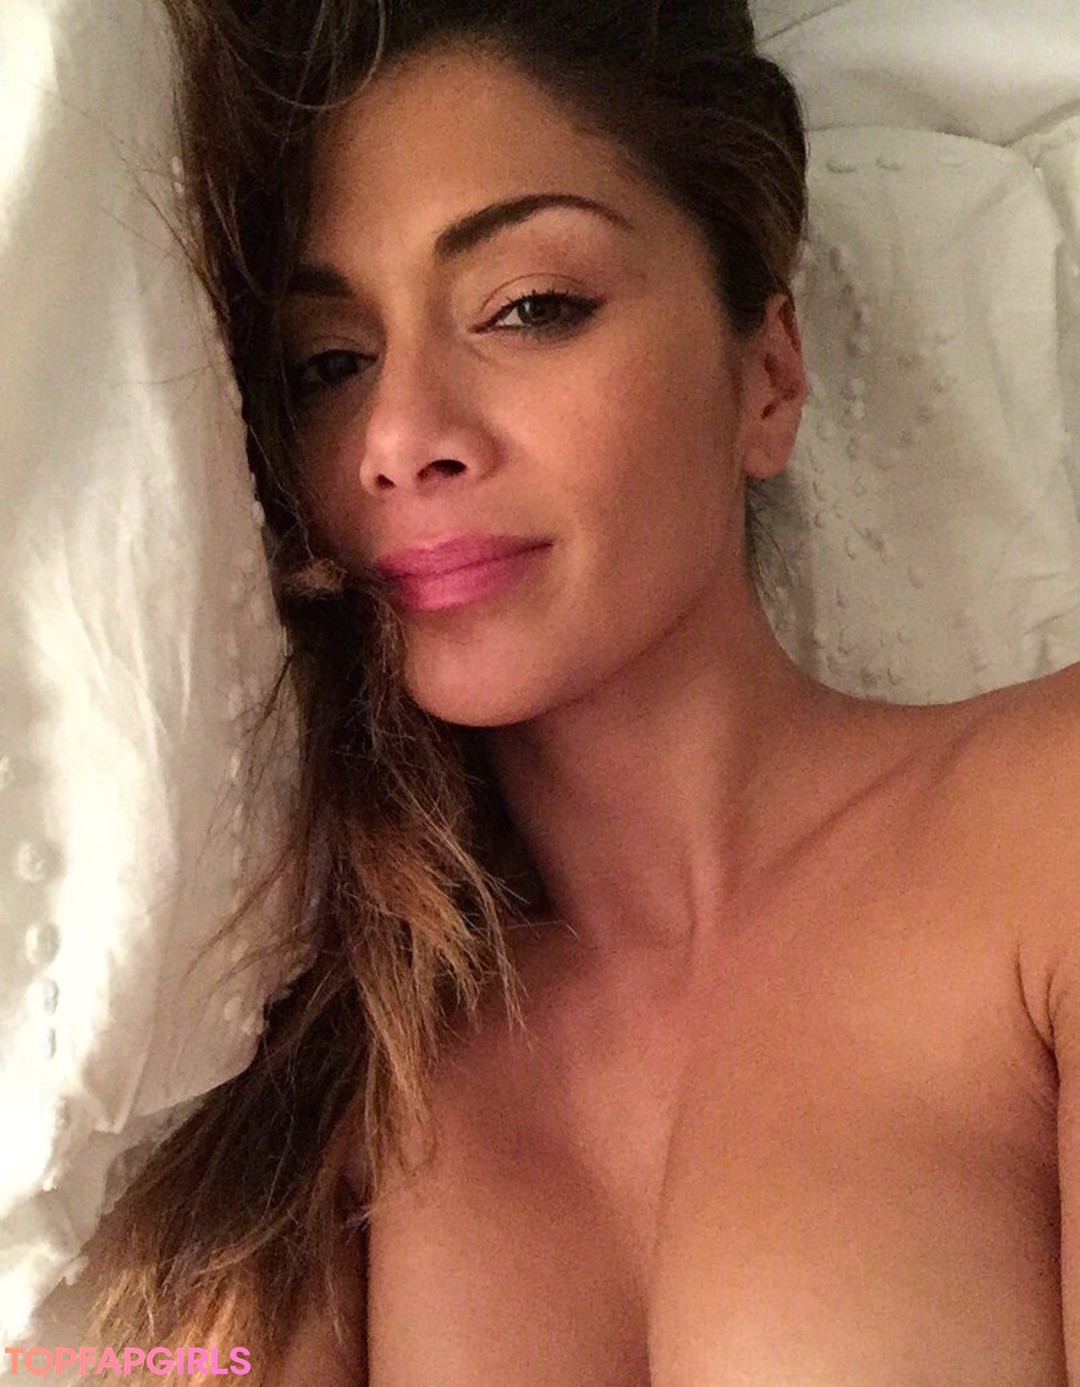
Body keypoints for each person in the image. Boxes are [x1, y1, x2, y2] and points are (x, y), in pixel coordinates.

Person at [79, 1, 1078, 1382]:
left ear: (767, 376)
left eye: (530, 306)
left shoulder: (1046, 821)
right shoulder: (335, 1091)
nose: (398, 436)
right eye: (330, 365)